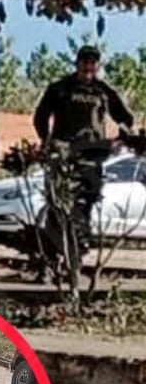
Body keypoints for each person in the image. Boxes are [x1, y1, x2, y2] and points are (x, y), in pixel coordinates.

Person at [32, 45, 137, 255]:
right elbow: (40, 116)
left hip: (92, 156)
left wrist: (121, 139)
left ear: (98, 66)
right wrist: (47, 141)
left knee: (86, 202)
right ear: (77, 63)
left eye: (92, 63)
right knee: (58, 203)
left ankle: (78, 250)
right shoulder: (60, 88)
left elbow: (125, 118)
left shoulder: (103, 91)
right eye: (84, 62)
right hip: (63, 155)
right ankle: (52, 254)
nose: (88, 66)